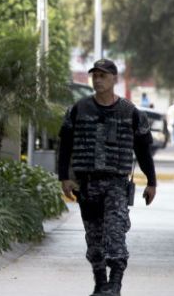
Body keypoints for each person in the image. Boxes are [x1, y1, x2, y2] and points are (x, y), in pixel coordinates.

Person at [58, 59, 157, 296]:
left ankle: (116, 284)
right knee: (94, 237)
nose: (98, 79)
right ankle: (101, 284)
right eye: (95, 75)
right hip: (86, 184)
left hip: (115, 185)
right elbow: (66, 146)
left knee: (115, 235)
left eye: (103, 75)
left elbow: (143, 151)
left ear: (114, 79)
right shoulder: (78, 109)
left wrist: (152, 182)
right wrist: (64, 177)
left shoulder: (131, 113)